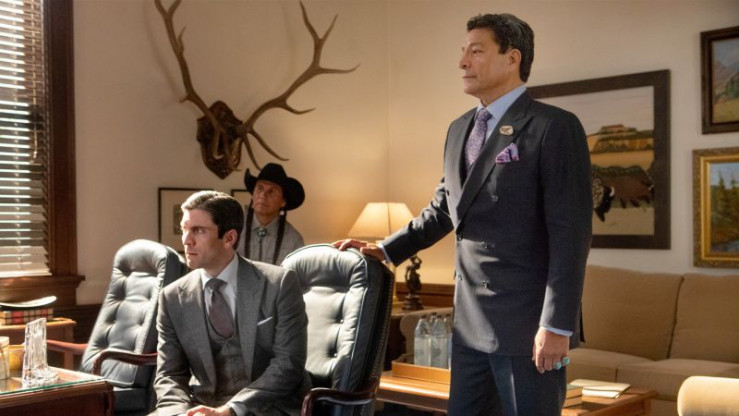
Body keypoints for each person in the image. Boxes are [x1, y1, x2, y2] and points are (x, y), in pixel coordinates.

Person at [335, 13, 592, 416]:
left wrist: (557, 326)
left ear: (512, 58)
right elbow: (443, 208)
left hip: (527, 325)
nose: (462, 62)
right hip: (469, 324)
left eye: (476, 51)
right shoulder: (459, 129)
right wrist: (385, 250)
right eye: (462, 52)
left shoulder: (553, 127)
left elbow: (570, 235)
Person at [153, 190, 310, 416]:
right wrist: (179, 412)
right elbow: (169, 375)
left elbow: (288, 365)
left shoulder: (279, 284)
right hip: (201, 407)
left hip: (268, 408)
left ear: (229, 238)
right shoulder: (171, 297)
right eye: (184, 229)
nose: (186, 240)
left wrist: (231, 410)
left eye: (198, 230)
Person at [239, 163, 305, 265]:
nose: (263, 195)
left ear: (283, 201)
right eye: (260, 188)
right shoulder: (233, 229)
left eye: (272, 191)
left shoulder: (293, 240)